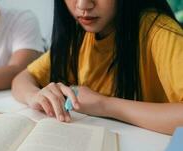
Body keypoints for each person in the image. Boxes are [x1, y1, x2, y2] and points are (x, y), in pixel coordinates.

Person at [12, 0, 183, 135]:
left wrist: (105, 104)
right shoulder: (79, 36)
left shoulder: (160, 32)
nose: (82, 5)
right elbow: (23, 78)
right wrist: (34, 96)